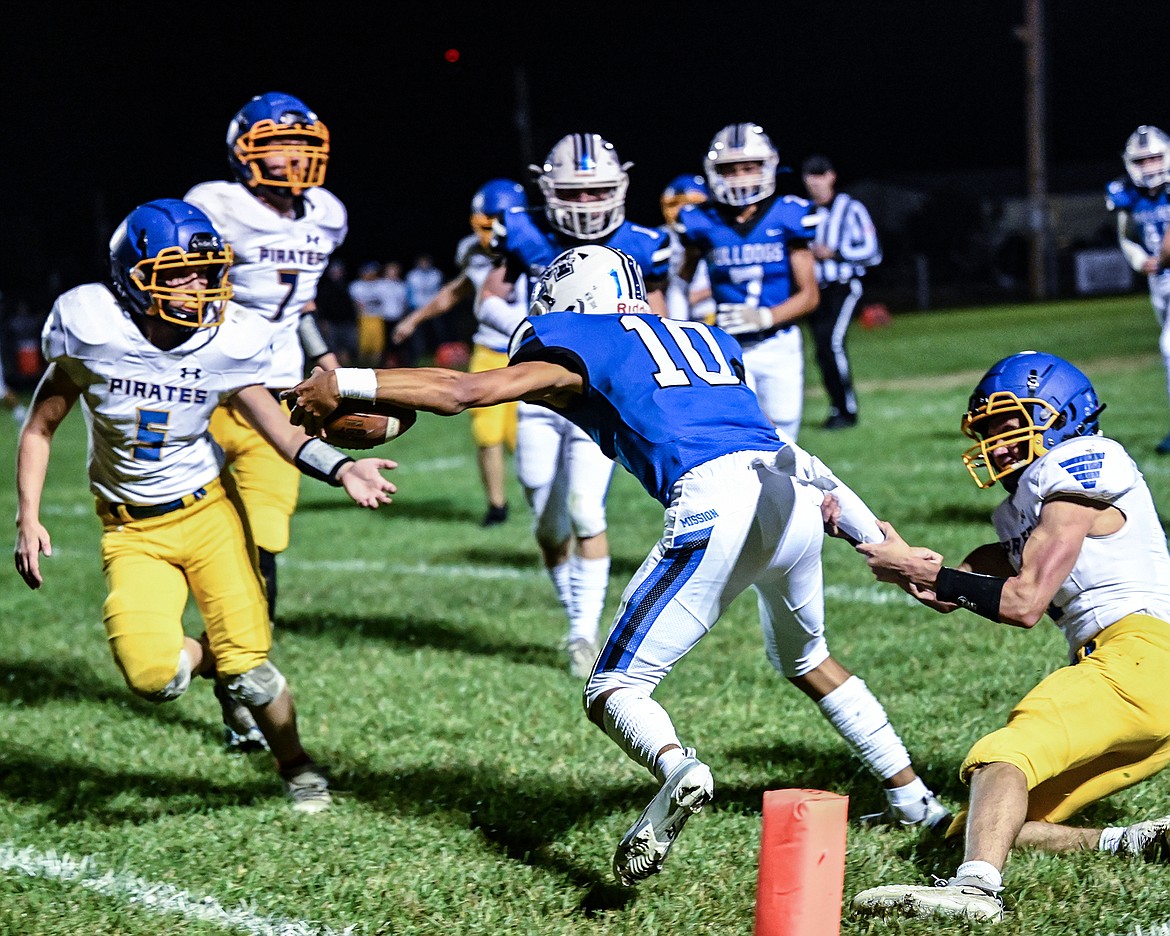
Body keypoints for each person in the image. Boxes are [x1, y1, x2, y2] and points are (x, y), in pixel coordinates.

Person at [286, 244, 950, 887]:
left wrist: (343, 381)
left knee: (613, 690)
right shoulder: (706, 340)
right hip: (794, 489)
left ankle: (677, 768)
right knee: (808, 660)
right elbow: (789, 451)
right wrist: (884, 546)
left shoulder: (583, 341)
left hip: (714, 499)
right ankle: (917, 799)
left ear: (571, 304)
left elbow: (465, 390)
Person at [13, 199, 396, 813]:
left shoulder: (228, 341)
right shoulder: (90, 329)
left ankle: (295, 764)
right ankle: (221, 653)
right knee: (151, 677)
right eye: (178, 272)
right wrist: (28, 516)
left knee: (253, 673)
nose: (199, 286)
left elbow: (284, 434)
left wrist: (344, 467)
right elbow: (38, 428)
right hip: (130, 530)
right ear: (133, 278)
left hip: (210, 513)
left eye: (206, 270)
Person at [849, 351, 1170, 924]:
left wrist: (935, 576)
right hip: (1142, 681)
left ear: (1061, 416)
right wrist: (892, 554)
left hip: (1139, 659)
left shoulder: (1081, 464)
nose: (996, 442)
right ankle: (1135, 842)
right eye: (988, 429)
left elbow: (1024, 604)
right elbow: (951, 589)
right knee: (978, 823)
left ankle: (975, 894)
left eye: (1008, 422)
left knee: (1000, 758)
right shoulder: (1021, 512)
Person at [479, 133, 673, 679]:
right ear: (549, 190)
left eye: (598, 194)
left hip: (595, 398)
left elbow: (656, 323)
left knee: (588, 510)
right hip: (536, 392)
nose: (587, 205)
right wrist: (527, 331)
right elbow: (488, 298)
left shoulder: (643, 240)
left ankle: (583, 636)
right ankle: (576, 617)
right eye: (574, 194)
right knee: (546, 522)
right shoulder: (520, 227)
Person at [184, 91, 346, 629]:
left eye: (302, 143)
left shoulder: (326, 214)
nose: (294, 157)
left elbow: (299, 305)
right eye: (277, 144)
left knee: (264, 531)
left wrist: (327, 362)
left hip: (275, 390)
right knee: (181, 515)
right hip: (204, 386)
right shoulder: (215, 204)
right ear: (244, 152)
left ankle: (245, 652)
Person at [394, 179, 530, 527]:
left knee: (526, 439)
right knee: (487, 435)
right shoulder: (471, 250)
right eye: (482, 224)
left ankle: (543, 501)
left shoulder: (539, 245)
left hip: (530, 354)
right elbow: (456, 291)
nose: (488, 233)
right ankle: (497, 507)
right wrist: (414, 319)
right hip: (488, 350)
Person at [674, 123, 820, 441]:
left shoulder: (789, 214)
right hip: (726, 347)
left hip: (778, 342)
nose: (740, 177)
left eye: (748, 167)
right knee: (744, 439)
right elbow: (678, 285)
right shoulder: (700, 220)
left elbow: (809, 296)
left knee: (785, 442)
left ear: (768, 166)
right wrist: (681, 330)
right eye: (730, 169)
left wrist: (765, 316)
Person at [801, 155, 881, 430]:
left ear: (831, 177)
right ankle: (837, 407)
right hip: (816, 289)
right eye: (811, 176)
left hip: (844, 286)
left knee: (831, 343)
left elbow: (872, 251)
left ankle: (847, 410)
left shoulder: (851, 208)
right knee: (822, 350)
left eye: (820, 174)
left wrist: (834, 254)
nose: (816, 182)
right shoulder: (805, 212)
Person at [1105, 126, 1170, 453]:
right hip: (1159, 280)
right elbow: (1126, 236)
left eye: (1156, 157)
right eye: (1142, 160)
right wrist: (1140, 258)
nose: (1150, 166)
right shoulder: (1125, 192)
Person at [658, 174, 713, 323]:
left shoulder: (717, 232)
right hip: (674, 312)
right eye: (675, 204)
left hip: (716, 311)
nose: (684, 212)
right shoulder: (658, 239)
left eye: (691, 204)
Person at [313, 260, 358, 366]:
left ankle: (346, 369)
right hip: (331, 322)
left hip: (347, 322)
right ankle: (333, 370)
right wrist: (322, 321)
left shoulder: (347, 285)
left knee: (347, 348)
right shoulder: (324, 288)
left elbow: (351, 305)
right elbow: (320, 306)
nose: (337, 273)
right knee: (333, 348)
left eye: (339, 271)